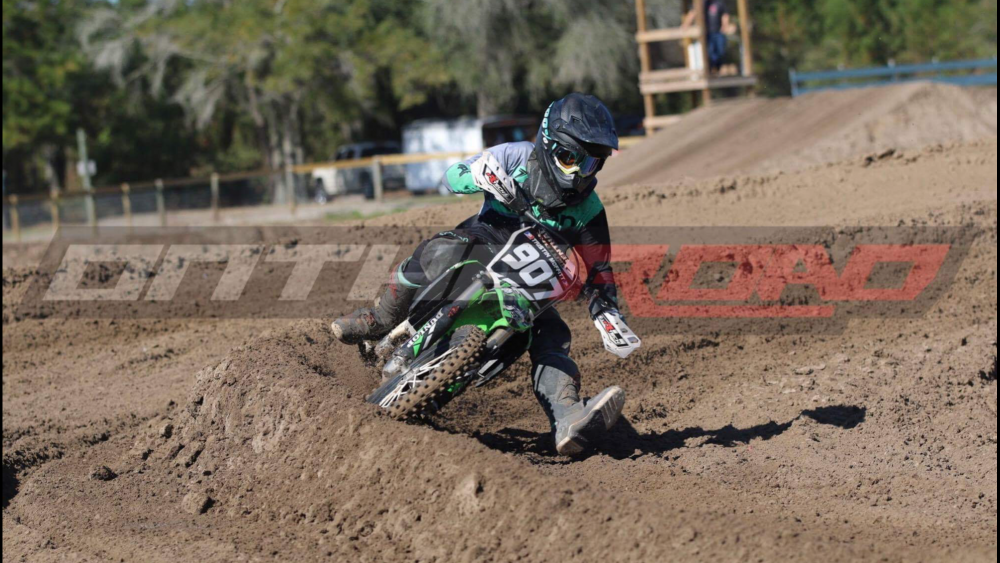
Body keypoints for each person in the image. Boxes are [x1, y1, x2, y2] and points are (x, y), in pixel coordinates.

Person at [332, 93, 638, 456]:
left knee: (555, 333)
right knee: (438, 250)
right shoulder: (517, 156)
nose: (578, 174)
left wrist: (606, 313)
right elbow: (452, 176)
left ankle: (567, 415)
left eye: (591, 164)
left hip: (528, 283)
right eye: (570, 158)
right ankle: (379, 318)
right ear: (547, 142)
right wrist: (477, 176)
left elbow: (599, 268)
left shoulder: (590, 209)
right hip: (483, 241)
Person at [683, 0, 736, 73]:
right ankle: (711, 69)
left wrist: (725, 25)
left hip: (718, 32)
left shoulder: (719, 2)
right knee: (710, 52)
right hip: (706, 33)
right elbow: (692, 13)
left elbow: (725, 14)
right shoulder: (700, 3)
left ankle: (717, 68)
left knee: (720, 51)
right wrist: (686, 24)